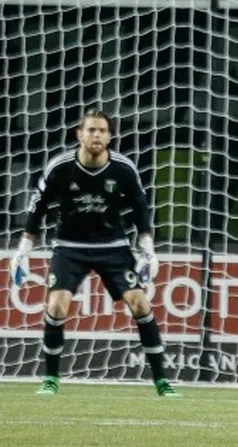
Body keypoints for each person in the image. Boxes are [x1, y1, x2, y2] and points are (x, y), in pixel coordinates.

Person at [9, 109, 178, 397]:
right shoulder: (60, 167)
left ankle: (162, 381)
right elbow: (38, 207)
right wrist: (23, 250)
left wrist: (148, 249)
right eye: (90, 130)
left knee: (140, 304)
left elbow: (140, 207)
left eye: (102, 130)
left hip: (113, 245)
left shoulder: (123, 169)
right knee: (57, 306)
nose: (96, 135)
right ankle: (51, 379)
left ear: (110, 137)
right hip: (69, 246)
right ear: (79, 134)